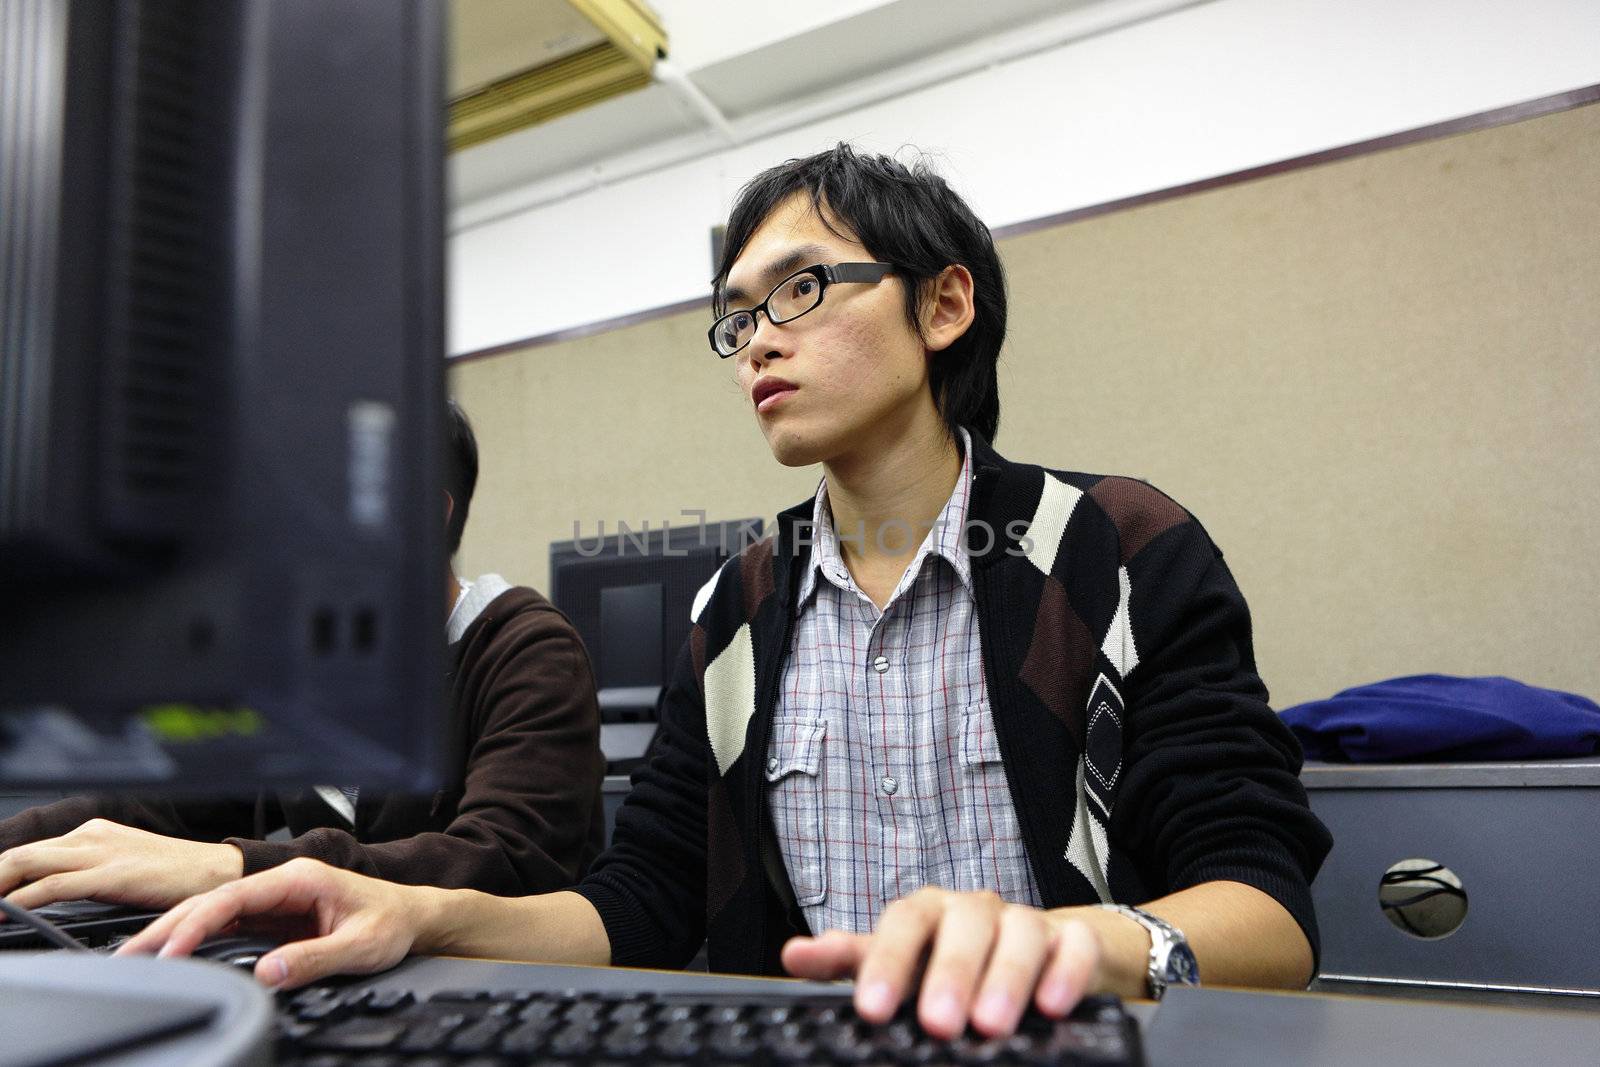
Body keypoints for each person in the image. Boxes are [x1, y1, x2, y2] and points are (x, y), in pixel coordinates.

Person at [122, 146, 1331, 1041]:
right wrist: (413, 909)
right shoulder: (738, 606)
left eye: (800, 289)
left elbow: (1268, 914)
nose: (756, 337)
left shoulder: (1119, 547)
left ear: (944, 304)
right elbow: (640, 902)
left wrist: (1074, 941)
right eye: (739, 314)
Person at [0, 401, 605, 908]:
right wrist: (20, 847)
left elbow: (504, 866)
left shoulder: (529, 650)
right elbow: (155, 808)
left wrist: (240, 869)